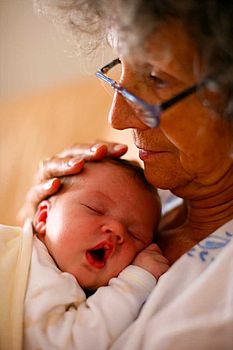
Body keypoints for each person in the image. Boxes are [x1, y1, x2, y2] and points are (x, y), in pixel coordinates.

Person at [21, 1, 233, 349]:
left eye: (156, 78)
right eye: (121, 71)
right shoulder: (143, 193)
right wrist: (40, 223)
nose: (117, 118)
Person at [0, 158, 169, 350]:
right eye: (95, 209)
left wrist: (136, 280)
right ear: (44, 216)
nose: (117, 230)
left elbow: (68, 343)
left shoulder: (62, 292)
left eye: (134, 234)